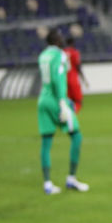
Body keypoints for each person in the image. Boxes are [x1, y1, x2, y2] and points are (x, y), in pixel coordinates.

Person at [37, 29, 87, 194]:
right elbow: (58, 78)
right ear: (57, 40)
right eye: (60, 37)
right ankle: (71, 179)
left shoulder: (43, 55)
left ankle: (47, 184)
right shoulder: (60, 55)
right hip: (56, 101)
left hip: (42, 100)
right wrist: (62, 103)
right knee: (76, 137)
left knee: (46, 143)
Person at [64, 35, 87, 113]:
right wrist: (84, 79)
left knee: (67, 102)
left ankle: (67, 115)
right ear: (73, 43)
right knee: (78, 102)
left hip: (64, 80)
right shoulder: (75, 52)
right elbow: (78, 67)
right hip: (73, 79)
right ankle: (71, 116)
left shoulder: (62, 52)